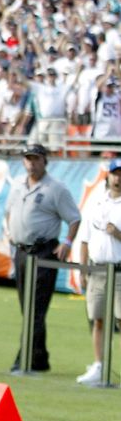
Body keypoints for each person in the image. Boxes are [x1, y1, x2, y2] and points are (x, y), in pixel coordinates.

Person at [3, 142, 80, 373]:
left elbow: (74, 218)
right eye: (28, 158)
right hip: (21, 250)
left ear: (45, 160)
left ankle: (23, 359)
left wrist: (67, 242)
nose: (31, 163)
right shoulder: (17, 185)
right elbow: (8, 213)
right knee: (27, 307)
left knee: (36, 308)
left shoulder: (56, 189)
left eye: (36, 158)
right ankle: (40, 358)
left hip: (43, 251)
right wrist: (11, 237)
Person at [76, 158, 121, 386]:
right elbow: (84, 239)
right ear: (108, 176)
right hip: (98, 269)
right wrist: (83, 269)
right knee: (98, 319)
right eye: (115, 173)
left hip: (120, 272)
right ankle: (99, 364)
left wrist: (118, 234)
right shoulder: (97, 203)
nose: (118, 178)